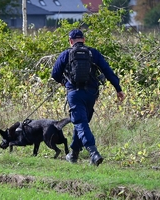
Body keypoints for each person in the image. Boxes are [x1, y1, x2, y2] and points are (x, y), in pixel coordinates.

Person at [51, 29, 125, 166]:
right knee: (81, 122)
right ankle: (73, 154)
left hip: (74, 93)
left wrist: (64, 82)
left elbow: (55, 74)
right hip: (91, 94)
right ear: (83, 40)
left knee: (80, 123)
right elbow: (108, 72)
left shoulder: (66, 54)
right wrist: (118, 89)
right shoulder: (93, 53)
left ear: (70, 41)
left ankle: (94, 153)